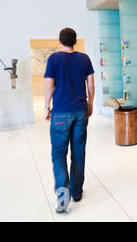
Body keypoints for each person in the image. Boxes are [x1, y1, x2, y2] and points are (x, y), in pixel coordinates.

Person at [44, 28, 95, 213]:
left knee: (59, 154)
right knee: (78, 151)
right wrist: (90, 104)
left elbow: (49, 86)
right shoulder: (84, 58)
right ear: (75, 41)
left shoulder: (54, 59)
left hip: (61, 113)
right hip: (81, 110)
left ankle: (63, 198)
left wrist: (46, 106)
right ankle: (77, 192)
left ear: (60, 40)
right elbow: (91, 84)